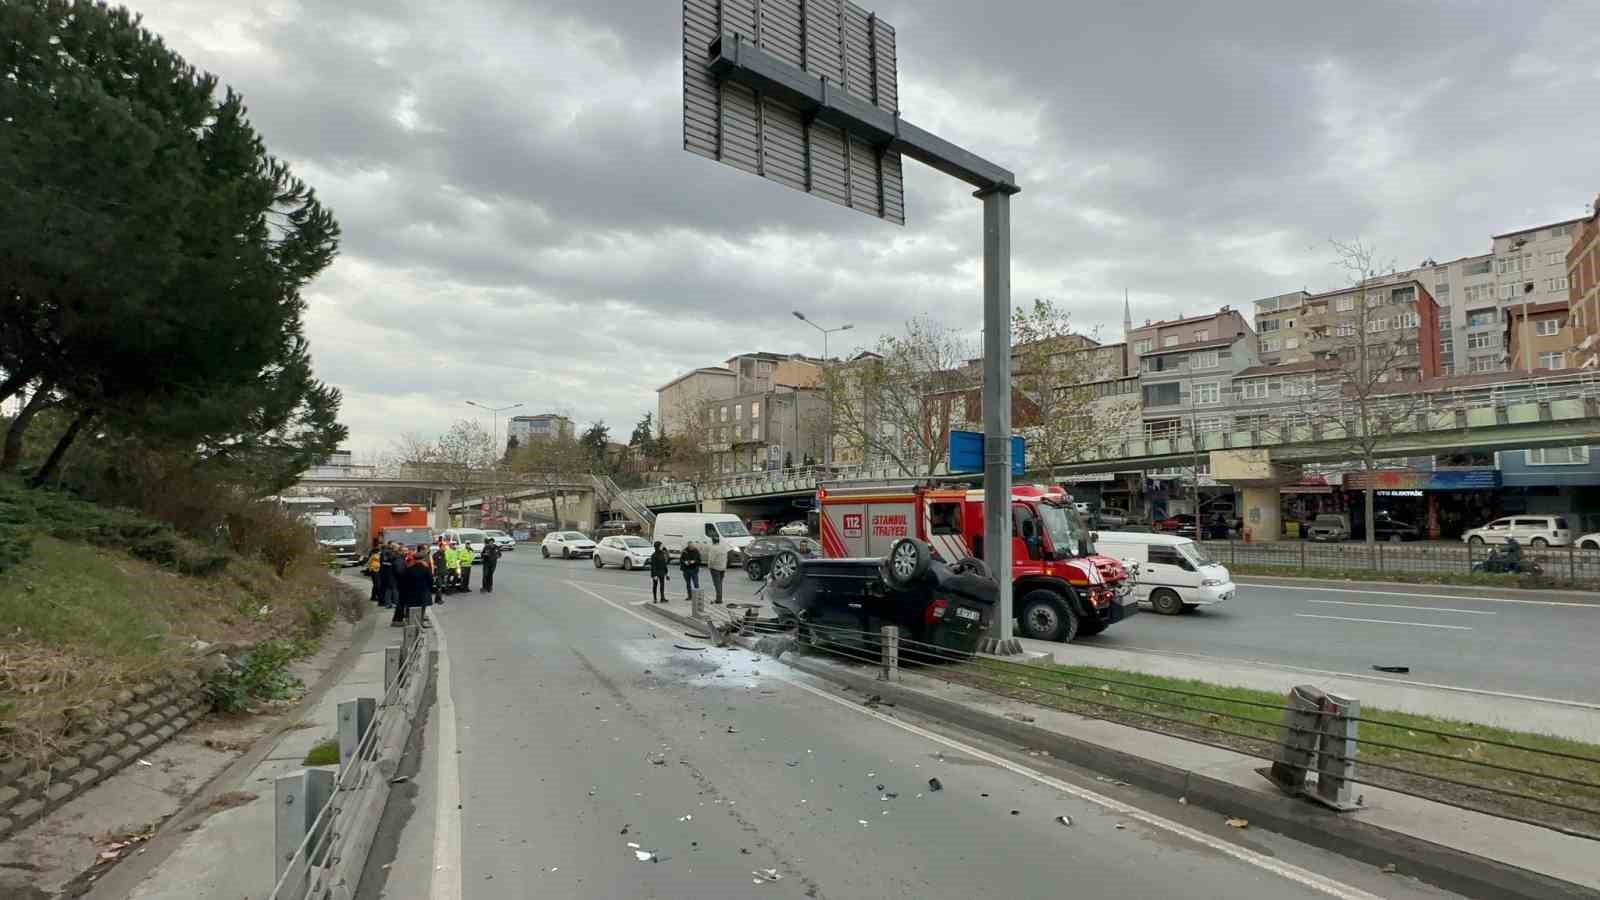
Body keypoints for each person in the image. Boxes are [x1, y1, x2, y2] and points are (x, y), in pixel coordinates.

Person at [706, 532, 729, 605]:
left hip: (715, 568)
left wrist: (709, 566)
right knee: (720, 583)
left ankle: (719, 599)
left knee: (717, 584)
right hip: (722, 568)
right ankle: (719, 598)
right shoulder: (723, 547)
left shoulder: (713, 548)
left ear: (712, 541)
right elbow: (726, 557)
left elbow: (711, 559)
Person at [378, 541, 401, 609]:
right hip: (391, 574)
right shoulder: (391, 554)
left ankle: (388, 603)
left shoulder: (385, 553)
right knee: (394, 588)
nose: (398, 549)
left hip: (386, 574)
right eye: (397, 548)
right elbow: (393, 563)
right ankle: (395, 603)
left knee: (389, 589)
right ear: (394, 548)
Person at [363, 537, 382, 605]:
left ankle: (373, 596)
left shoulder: (378, 551)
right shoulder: (374, 552)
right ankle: (376, 596)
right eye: (379, 544)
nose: (380, 546)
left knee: (376, 584)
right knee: (377, 584)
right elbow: (370, 561)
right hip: (374, 570)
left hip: (376, 569)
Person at [432, 539, 448, 605]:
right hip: (438, 573)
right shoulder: (436, 555)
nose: (445, 548)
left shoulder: (444, 554)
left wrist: (446, 572)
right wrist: (435, 574)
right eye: (444, 546)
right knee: (439, 587)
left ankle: (436, 599)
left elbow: (445, 564)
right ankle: (439, 600)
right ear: (440, 547)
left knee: (440, 587)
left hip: (443, 572)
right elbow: (434, 565)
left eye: (445, 546)